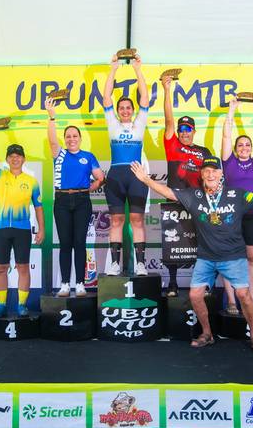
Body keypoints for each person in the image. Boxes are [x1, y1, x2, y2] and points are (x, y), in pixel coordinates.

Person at [130, 157, 253, 353]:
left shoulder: (236, 194)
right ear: (201, 174)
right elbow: (169, 192)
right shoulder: (194, 195)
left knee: (243, 295)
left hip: (233, 257)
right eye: (206, 170)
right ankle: (207, 334)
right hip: (206, 258)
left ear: (221, 174)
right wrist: (146, 180)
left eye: (214, 170)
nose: (210, 174)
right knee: (195, 295)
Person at [0, 124, 44, 317]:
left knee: (23, 267)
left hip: (22, 229)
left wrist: (42, 229)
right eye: (11, 156)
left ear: (24, 159)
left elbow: (38, 207)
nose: (15, 158)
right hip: (1, 229)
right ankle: (1, 305)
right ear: (7, 159)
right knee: (1, 268)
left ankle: (22, 305)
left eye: (18, 156)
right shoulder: (0, 175)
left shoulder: (31, 181)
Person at [45, 97, 105, 297]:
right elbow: (52, 140)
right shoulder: (59, 154)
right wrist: (51, 117)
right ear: (65, 139)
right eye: (68, 136)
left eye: (75, 136)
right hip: (61, 201)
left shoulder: (88, 156)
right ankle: (64, 284)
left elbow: (100, 177)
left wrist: (91, 187)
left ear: (80, 138)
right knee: (65, 243)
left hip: (82, 202)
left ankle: (80, 284)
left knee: (80, 243)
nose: (71, 139)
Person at [161, 74, 212, 296]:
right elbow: (169, 121)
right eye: (181, 129)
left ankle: (203, 283)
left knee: (203, 243)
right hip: (174, 198)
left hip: (198, 201)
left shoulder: (204, 151)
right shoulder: (172, 145)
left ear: (194, 131)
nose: (184, 132)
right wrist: (167, 90)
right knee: (172, 241)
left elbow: (213, 176)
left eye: (188, 129)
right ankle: (172, 283)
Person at [221, 96, 253, 314]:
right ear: (235, 147)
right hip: (232, 217)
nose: (244, 147)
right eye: (240, 144)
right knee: (229, 259)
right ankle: (232, 302)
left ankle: (251, 303)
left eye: (247, 144)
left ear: (252, 147)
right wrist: (231, 109)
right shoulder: (228, 162)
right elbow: (226, 134)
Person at [102, 53, 150, 276]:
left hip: (136, 176)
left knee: (137, 220)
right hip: (116, 176)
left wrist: (138, 69)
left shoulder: (140, 123)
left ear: (132, 110)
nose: (124, 110)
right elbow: (106, 98)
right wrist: (113, 69)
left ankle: (141, 264)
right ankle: (114, 264)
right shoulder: (112, 123)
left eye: (128, 107)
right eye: (121, 108)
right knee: (117, 221)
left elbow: (145, 98)